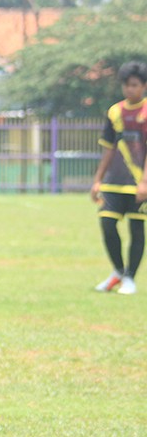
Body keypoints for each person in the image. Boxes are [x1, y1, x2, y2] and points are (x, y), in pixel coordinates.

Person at [90, 59, 147, 295]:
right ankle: (118, 271)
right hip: (114, 182)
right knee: (106, 223)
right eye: (126, 85)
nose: (130, 89)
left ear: (143, 86)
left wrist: (144, 181)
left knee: (136, 229)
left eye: (134, 85)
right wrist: (97, 180)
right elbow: (109, 148)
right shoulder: (115, 112)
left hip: (138, 184)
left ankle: (130, 278)